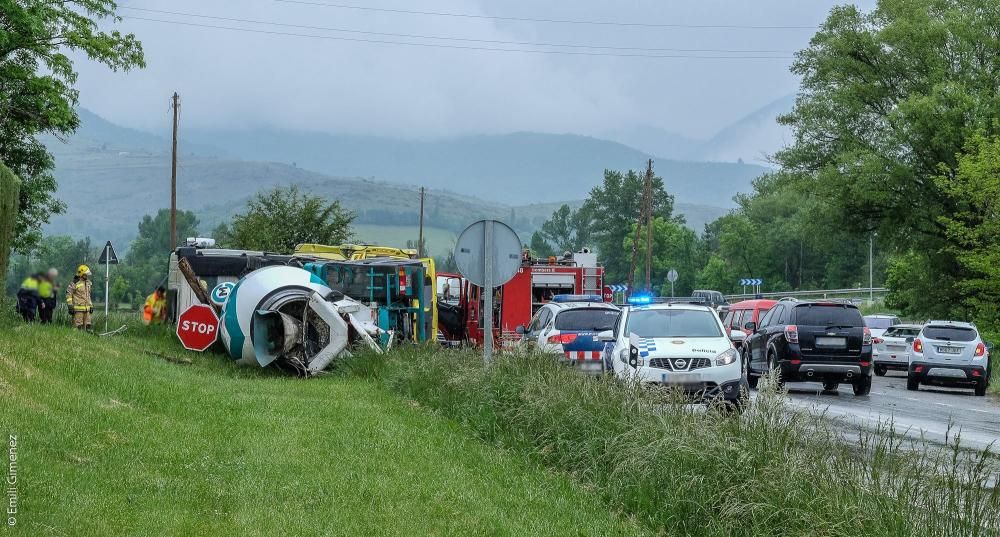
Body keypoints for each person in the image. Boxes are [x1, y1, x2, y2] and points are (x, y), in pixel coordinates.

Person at [66, 265, 93, 331]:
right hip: (78, 310)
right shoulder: (74, 283)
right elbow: (68, 294)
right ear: (81, 273)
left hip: (87, 310)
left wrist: (91, 305)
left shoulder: (88, 283)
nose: (87, 276)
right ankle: (75, 340)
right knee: (78, 327)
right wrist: (70, 305)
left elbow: (88, 296)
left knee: (88, 327)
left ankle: (86, 340)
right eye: (86, 274)